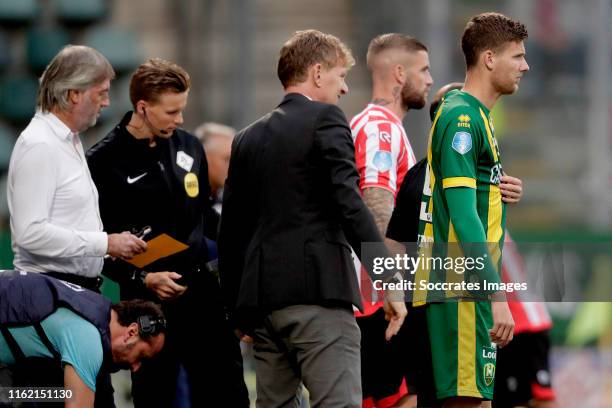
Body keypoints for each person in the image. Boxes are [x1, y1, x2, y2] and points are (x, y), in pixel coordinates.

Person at [218, 29, 406, 408]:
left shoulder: (246, 138)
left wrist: (238, 310)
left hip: (263, 305)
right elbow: (350, 204)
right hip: (318, 296)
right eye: (340, 77)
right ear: (317, 73)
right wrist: (388, 278)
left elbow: (231, 231)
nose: (344, 89)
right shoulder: (325, 119)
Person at [86, 59, 249, 407]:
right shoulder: (102, 161)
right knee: (156, 396)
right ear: (143, 107)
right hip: (146, 302)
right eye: (172, 111)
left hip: (202, 293)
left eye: (182, 109)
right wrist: (143, 277)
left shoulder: (189, 146)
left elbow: (205, 215)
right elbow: (93, 244)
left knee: (228, 392)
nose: (180, 119)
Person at [414, 13, 529, 407]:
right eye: (517, 56)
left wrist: (497, 190)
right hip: (462, 284)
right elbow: (463, 217)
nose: (525, 66)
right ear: (489, 58)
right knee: (468, 402)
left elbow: (468, 197)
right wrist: (497, 295)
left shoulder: (477, 115)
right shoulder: (462, 116)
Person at [6, 45, 146, 292]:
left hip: (71, 290)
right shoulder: (40, 144)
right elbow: (29, 233)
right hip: (50, 292)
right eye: (101, 93)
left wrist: (107, 247)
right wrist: (105, 243)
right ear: (74, 94)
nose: (107, 102)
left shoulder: (69, 139)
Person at [350, 33, 432, 408]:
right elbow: (377, 204)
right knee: (401, 398)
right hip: (380, 299)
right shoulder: (378, 127)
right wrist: (391, 284)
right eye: (424, 69)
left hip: (381, 294)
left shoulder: (387, 127)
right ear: (400, 73)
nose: (429, 80)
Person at [0, 270, 165, 408]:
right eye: (141, 356)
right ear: (131, 332)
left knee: (42, 394)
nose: (136, 368)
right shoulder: (88, 340)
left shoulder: (99, 310)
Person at [194, 122, 236, 212]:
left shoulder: (231, 197)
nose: (233, 167)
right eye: (227, 159)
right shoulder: (180, 197)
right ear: (204, 157)